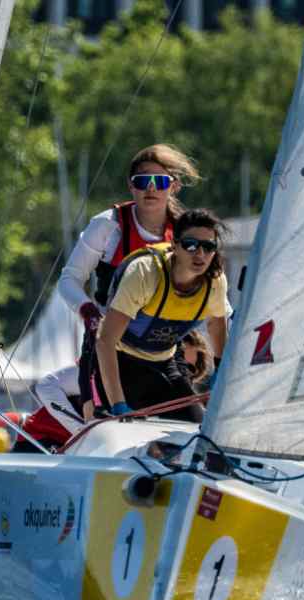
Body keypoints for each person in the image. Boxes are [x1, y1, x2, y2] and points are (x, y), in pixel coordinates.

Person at [57, 144, 200, 407]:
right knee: (106, 420)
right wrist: (88, 312)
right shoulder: (107, 225)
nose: (151, 189)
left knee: (195, 427)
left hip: (162, 351)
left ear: (174, 186)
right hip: (108, 345)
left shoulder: (184, 231)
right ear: (131, 186)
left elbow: (208, 289)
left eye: (160, 181)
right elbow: (69, 280)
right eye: (143, 181)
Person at [94, 208, 230, 422]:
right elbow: (105, 341)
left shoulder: (215, 281)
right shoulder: (145, 273)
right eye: (191, 245)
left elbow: (216, 324)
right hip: (120, 363)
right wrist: (118, 404)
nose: (200, 254)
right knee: (130, 431)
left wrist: (221, 370)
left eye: (208, 247)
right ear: (174, 245)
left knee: (198, 428)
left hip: (164, 362)